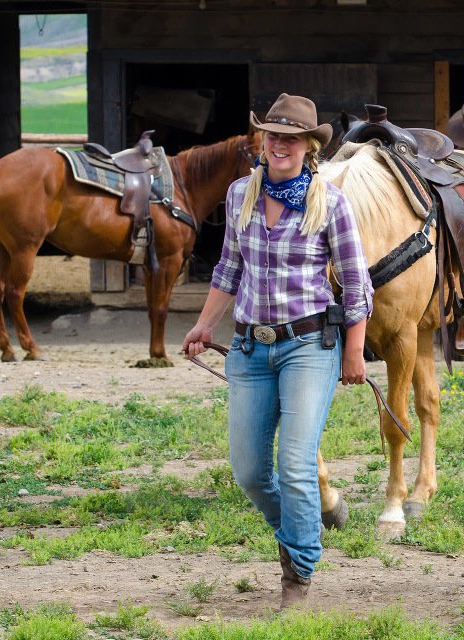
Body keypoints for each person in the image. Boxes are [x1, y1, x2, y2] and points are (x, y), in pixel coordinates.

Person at [182, 93, 373, 610]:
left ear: (309, 147)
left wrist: (354, 351)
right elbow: (229, 267)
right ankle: (299, 527)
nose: (279, 145)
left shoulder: (329, 202)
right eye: (272, 135)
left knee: (295, 464)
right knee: (248, 472)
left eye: (291, 138)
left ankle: (298, 573)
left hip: (308, 346)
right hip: (249, 349)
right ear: (262, 140)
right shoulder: (239, 194)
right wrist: (204, 325)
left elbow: (356, 284)